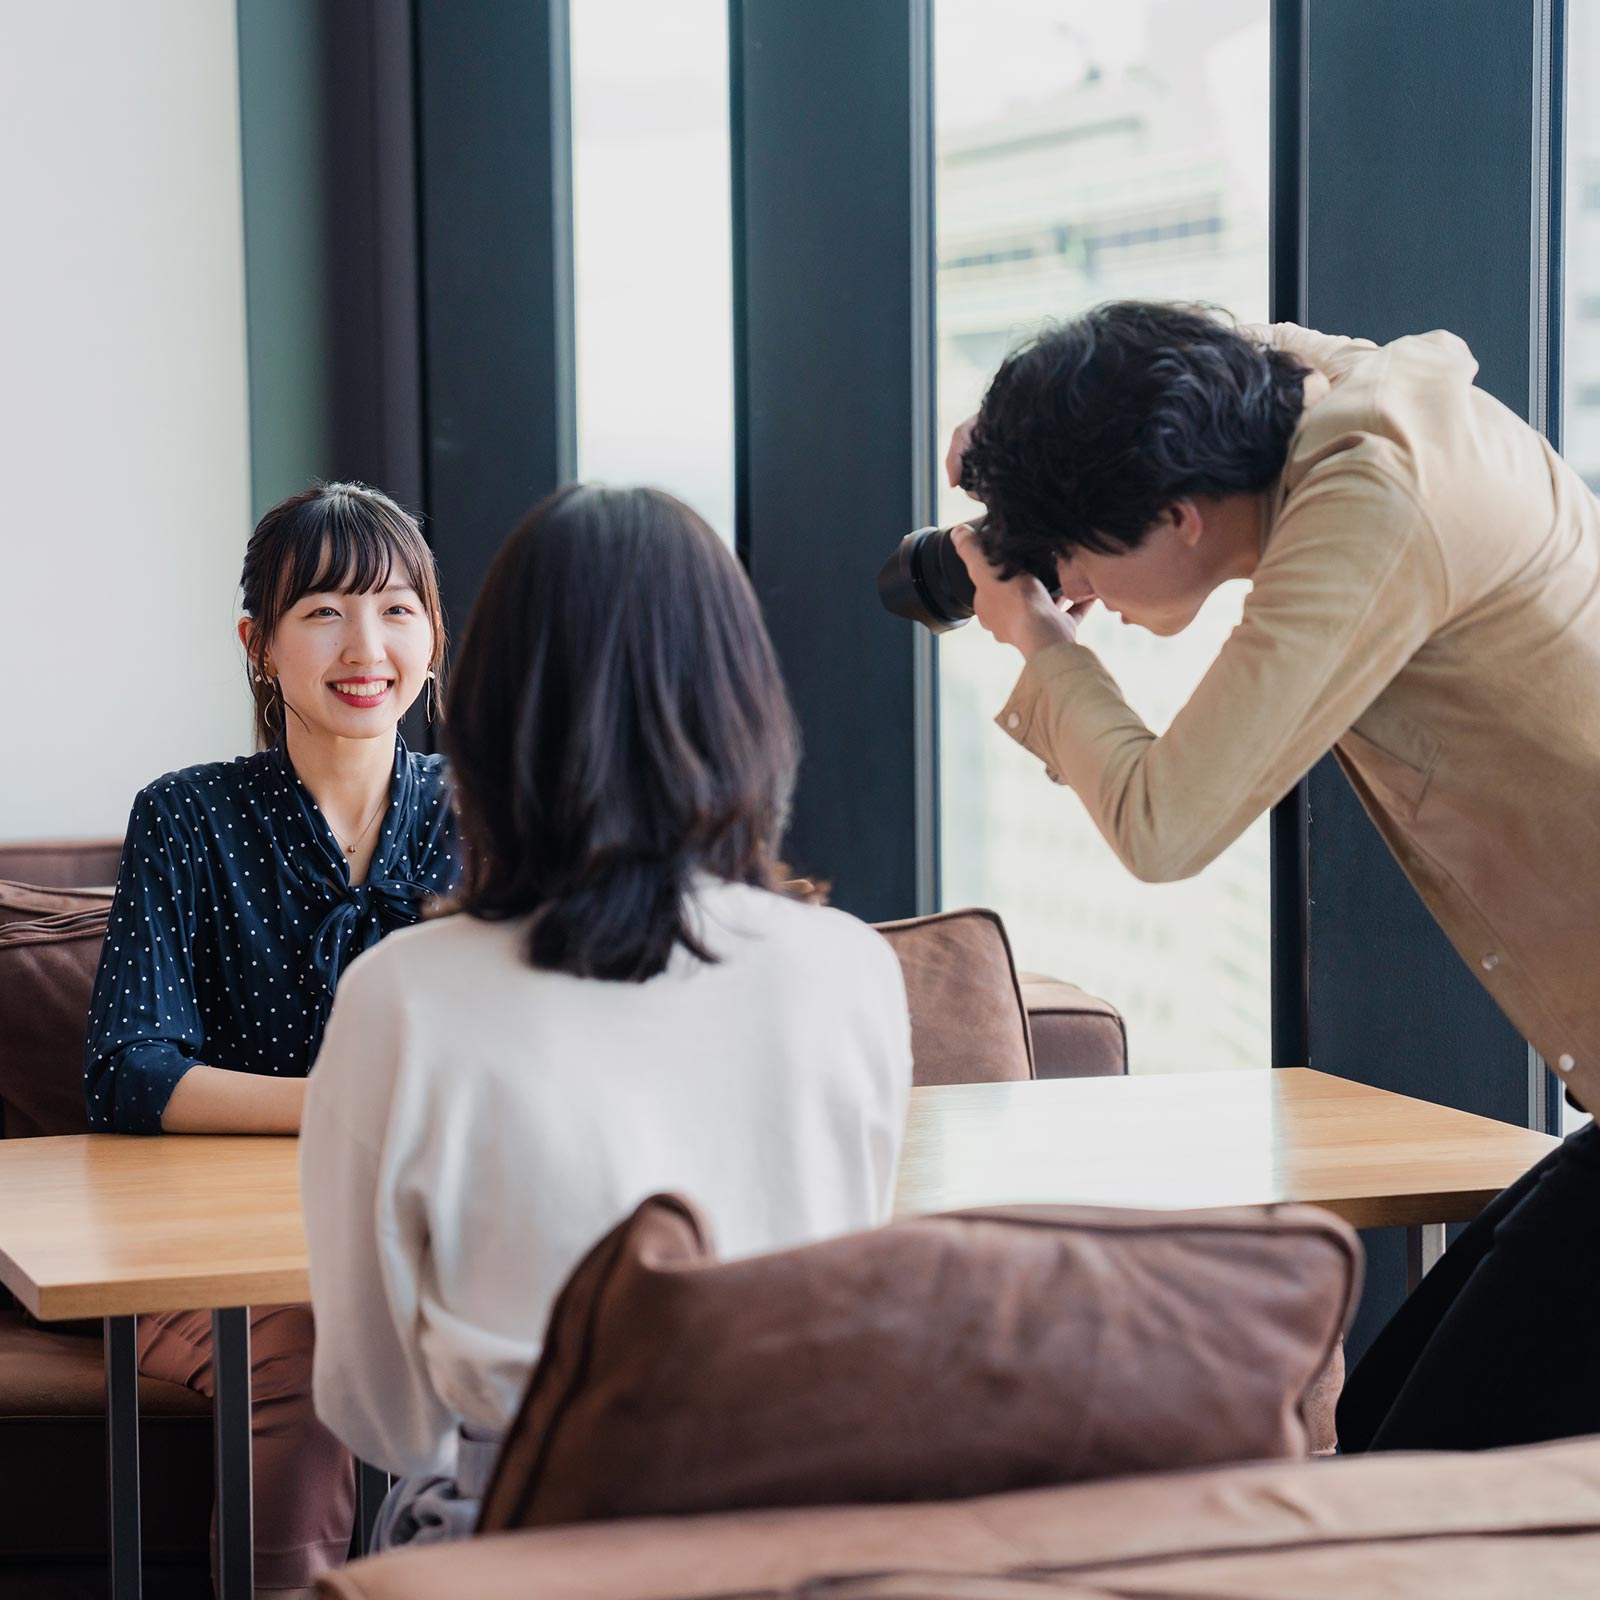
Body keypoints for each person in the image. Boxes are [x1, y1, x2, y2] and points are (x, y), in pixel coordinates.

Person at [946, 300, 1600, 1452]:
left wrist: (1041, 641)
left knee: (1413, 1484)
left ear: (1177, 515)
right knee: (1385, 1433)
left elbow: (1163, 824)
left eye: (1078, 553)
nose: (1073, 580)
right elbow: (1204, 341)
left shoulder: (1371, 504)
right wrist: (1023, 438)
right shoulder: (1326, 398)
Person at [299, 484, 913, 1546]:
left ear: (491, 713)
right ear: (746, 703)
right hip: (801, 1531)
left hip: (524, 1532)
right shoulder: (851, 968)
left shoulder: (403, 995)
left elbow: (381, 1414)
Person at [83, 482, 461, 1597]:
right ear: (258, 644)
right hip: (212, 1253)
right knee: (305, 1359)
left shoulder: (489, 814)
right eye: (324, 612)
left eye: (396, 610)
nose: (365, 647)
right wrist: (348, 1105)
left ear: (433, 638)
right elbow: (130, 1069)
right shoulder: (187, 814)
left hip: (428, 1229)